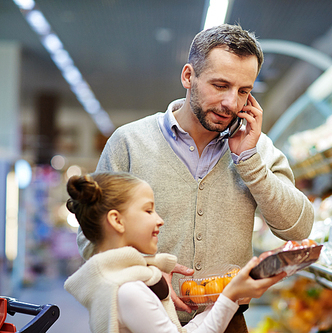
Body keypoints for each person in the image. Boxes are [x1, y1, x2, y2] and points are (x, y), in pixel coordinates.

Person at [78, 23, 314, 331]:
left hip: (229, 322)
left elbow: (298, 228)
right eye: (220, 85)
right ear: (189, 76)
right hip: (142, 319)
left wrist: (248, 161)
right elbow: (90, 236)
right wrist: (143, 272)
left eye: (244, 91)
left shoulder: (258, 149)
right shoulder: (129, 143)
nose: (232, 103)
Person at [65, 172, 287, 333]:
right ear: (116, 220)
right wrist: (230, 296)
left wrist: (228, 297)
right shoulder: (128, 291)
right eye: (148, 210)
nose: (159, 220)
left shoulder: (123, 281)